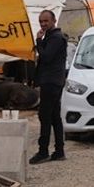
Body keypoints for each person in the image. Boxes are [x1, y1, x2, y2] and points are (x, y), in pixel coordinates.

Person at [29, 9, 68, 164]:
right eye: (41, 22)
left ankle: (43, 151)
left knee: (45, 116)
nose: (43, 24)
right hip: (53, 81)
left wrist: (38, 42)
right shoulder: (52, 37)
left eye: (46, 21)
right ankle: (59, 151)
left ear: (54, 21)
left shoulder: (56, 38)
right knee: (54, 116)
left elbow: (46, 57)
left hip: (51, 82)